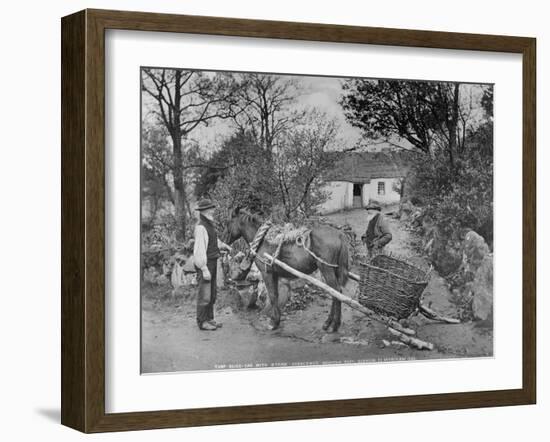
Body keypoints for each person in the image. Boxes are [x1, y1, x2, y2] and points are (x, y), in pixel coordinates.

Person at [193, 198, 231, 331]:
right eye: (210, 209)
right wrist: (203, 268)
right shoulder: (201, 227)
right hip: (206, 264)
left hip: (213, 261)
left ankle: (209, 319)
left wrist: (223, 245)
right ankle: (202, 322)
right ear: (203, 211)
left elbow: (213, 240)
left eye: (212, 208)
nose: (212, 211)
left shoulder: (209, 225)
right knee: (205, 294)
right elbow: (199, 250)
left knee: (212, 293)